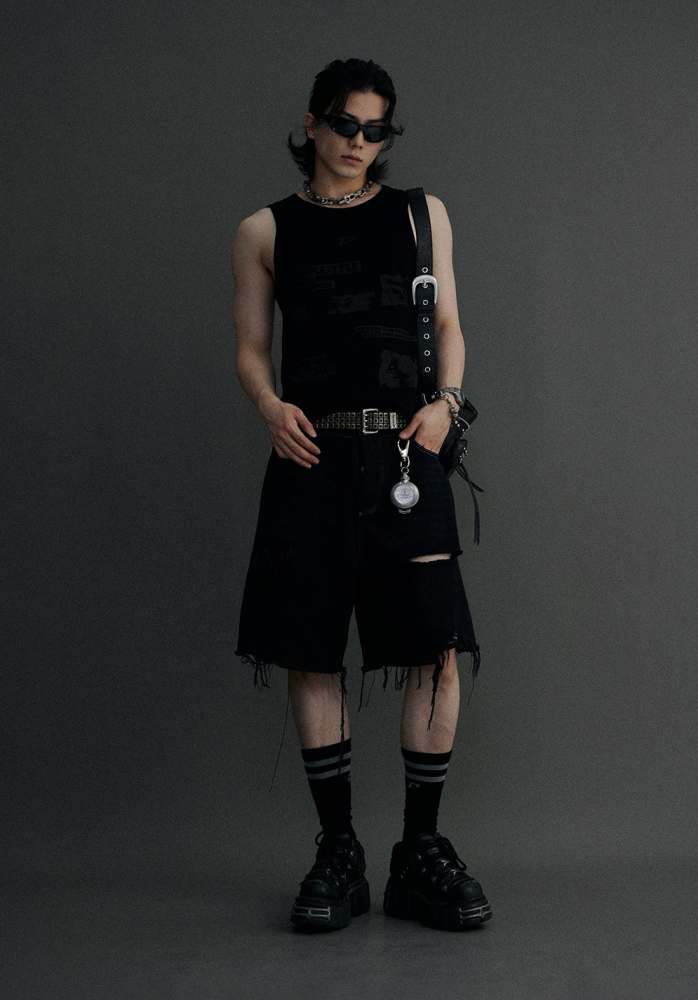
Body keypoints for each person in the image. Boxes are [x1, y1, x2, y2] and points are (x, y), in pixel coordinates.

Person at [231, 57, 491, 933]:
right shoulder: (264, 229)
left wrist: (446, 404)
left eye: (377, 131)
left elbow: (449, 325)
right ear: (312, 122)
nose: (359, 143)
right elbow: (251, 349)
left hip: (406, 454)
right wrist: (268, 407)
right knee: (311, 651)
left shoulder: (422, 214)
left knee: (435, 646)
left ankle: (419, 849)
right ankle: (338, 849)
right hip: (310, 454)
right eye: (345, 125)